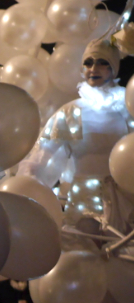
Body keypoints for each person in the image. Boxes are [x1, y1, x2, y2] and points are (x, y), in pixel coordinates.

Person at [18, 38, 134, 226]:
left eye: (102, 62)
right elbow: (38, 159)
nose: (93, 68)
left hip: (126, 202)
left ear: (114, 68)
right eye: (88, 63)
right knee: (83, 251)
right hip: (84, 203)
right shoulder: (71, 112)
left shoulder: (128, 108)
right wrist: (27, 194)